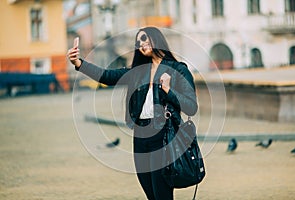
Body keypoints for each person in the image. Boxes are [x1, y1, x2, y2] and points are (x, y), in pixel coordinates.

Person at [67, 26, 198, 200]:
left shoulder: (178, 69)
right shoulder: (137, 72)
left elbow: (191, 106)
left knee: (162, 193)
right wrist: (78, 63)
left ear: (156, 39)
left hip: (164, 137)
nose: (141, 44)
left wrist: (167, 90)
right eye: (138, 42)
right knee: (150, 192)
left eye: (145, 39)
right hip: (141, 138)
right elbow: (106, 76)